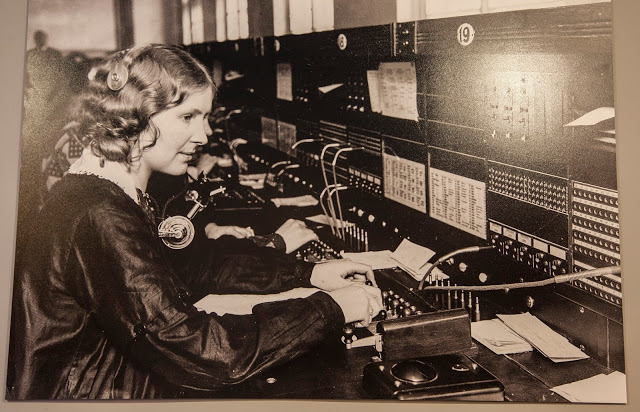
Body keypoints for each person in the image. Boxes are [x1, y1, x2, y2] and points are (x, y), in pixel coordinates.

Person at [7, 44, 382, 399]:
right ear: (137, 116)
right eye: (188, 117)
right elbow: (202, 352)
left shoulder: (104, 190)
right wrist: (330, 310)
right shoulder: (100, 213)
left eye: (204, 118)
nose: (203, 135)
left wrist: (308, 274)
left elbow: (194, 266)